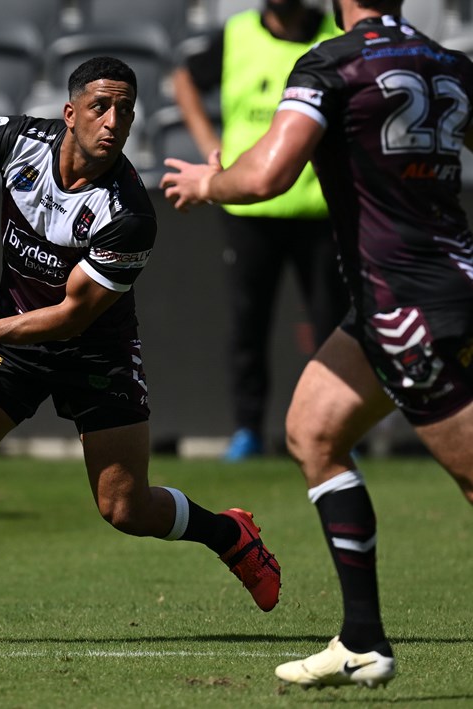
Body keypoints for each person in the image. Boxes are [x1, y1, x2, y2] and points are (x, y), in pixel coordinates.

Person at [0, 56, 281, 643]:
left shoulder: (129, 214)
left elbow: (70, 318)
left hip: (94, 353)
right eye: (101, 107)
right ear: (70, 112)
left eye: (125, 110)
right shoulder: (16, 140)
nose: (113, 121)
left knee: (124, 510)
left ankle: (229, 535)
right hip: (12, 340)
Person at [161, 0, 473, 690]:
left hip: (405, 304)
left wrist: (208, 181)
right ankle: (361, 639)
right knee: (312, 428)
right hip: (427, 289)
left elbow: (269, 175)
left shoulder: (334, 64)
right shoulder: (447, 61)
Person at [172, 0, 349, 461]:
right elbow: (185, 78)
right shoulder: (236, 34)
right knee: (248, 325)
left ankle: (337, 431)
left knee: (334, 328)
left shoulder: (335, 34)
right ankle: (248, 430)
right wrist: (211, 144)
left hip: (318, 208)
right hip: (247, 211)